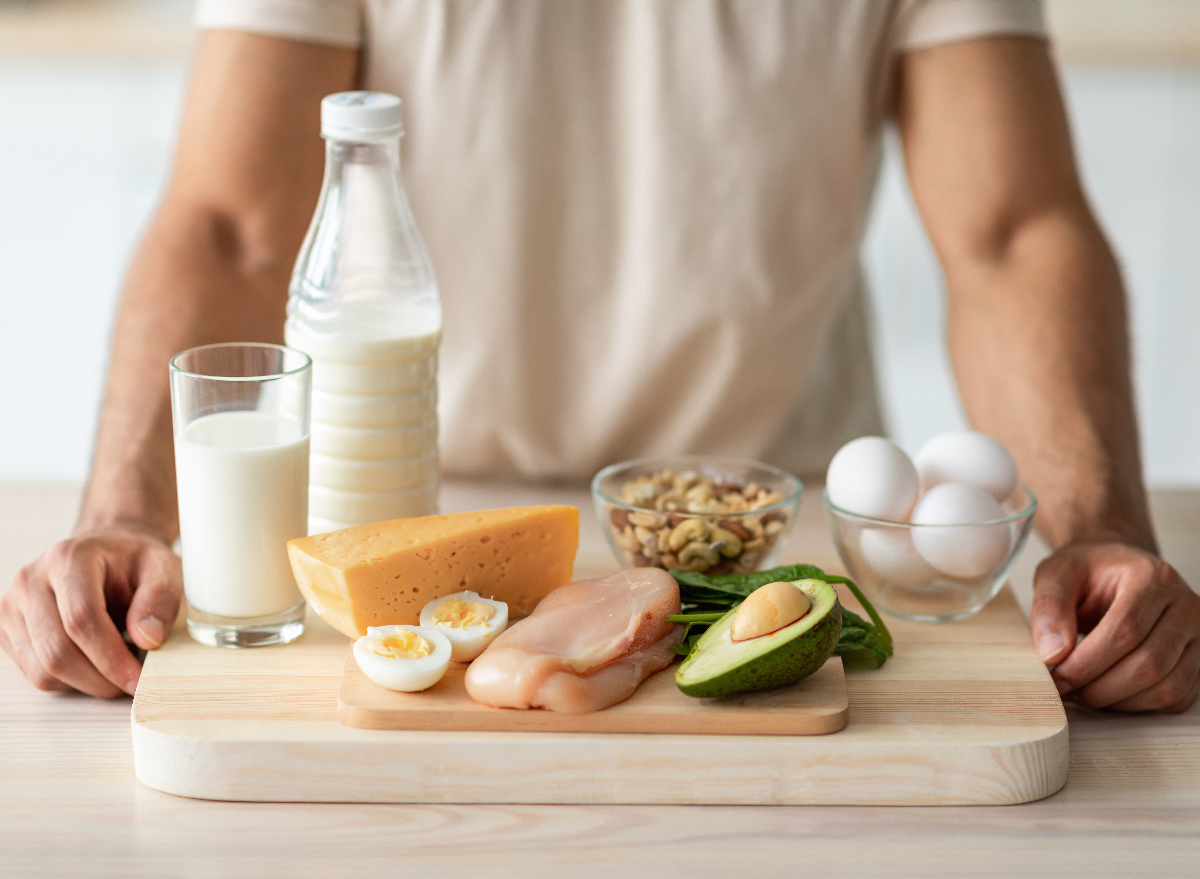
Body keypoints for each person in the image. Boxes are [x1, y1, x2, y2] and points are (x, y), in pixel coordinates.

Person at [2, 0, 1197, 711]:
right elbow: (229, 219)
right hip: (415, 529)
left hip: (773, 537)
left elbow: (1013, 232)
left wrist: (1103, 535)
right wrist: (124, 512)